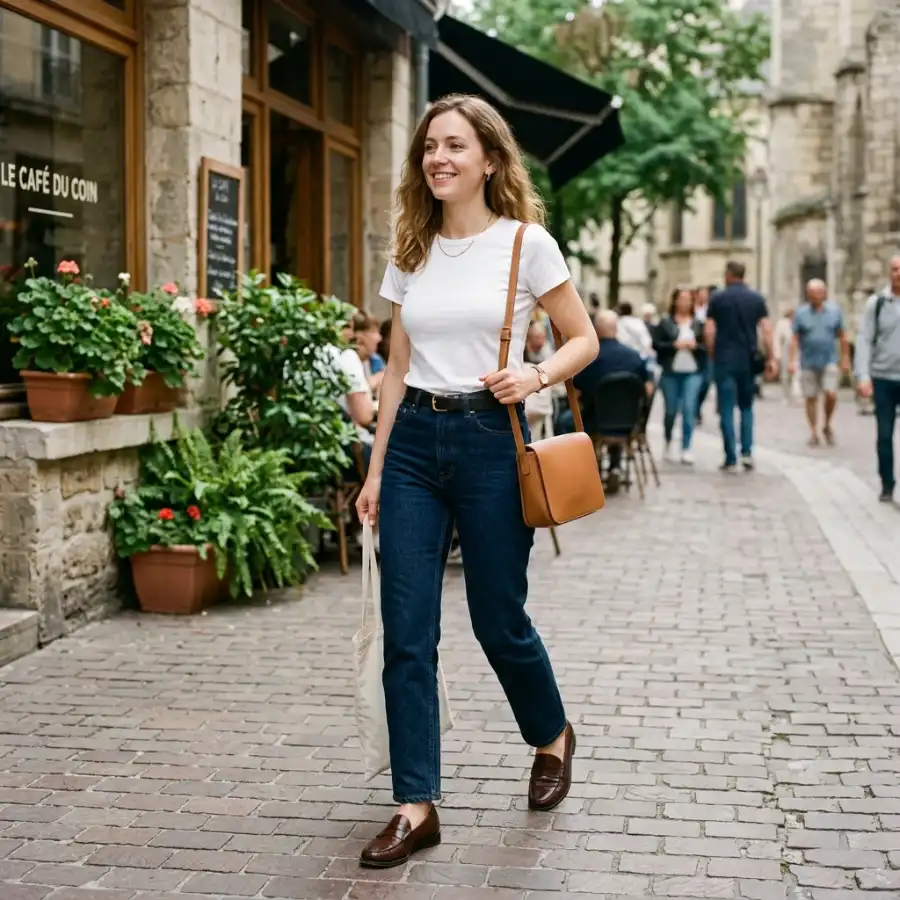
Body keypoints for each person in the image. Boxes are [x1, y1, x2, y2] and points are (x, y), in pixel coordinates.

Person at [354, 93, 597, 868]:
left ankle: (551, 734)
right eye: (431, 146)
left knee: (498, 619)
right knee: (407, 630)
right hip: (413, 449)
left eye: (455, 146)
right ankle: (415, 804)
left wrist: (535, 374)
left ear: (489, 160)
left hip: (492, 440)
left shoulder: (527, 244)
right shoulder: (411, 248)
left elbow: (582, 339)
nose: (439, 158)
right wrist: (376, 468)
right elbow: (396, 369)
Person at [558, 310, 653, 491]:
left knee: (564, 421)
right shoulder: (634, 357)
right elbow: (647, 388)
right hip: (629, 423)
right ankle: (614, 467)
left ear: (596, 329)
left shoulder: (590, 358)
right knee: (616, 412)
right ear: (616, 329)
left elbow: (576, 391)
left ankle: (576, 470)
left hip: (595, 420)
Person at [704, 260, 775, 472]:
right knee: (746, 407)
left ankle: (730, 457)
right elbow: (767, 329)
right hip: (748, 359)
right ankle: (747, 452)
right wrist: (771, 357)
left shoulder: (718, 298)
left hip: (725, 358)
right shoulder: (756, 298)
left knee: (726, 408)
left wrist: (712, 353)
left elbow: (709, 330)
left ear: (728, 274)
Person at [855, 256, 900, 502]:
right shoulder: (878, 303)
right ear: (889, 272)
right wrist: (863, 375)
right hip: (883, 377)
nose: (898, 273)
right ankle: (887, 483)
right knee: (884, 434)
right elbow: (864, 339)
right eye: (894, 269)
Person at [789, 280, 850, 447]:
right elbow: (795, 338)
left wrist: (845, 358)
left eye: (819, 292)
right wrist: (792, 360)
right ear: (808, 294)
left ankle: (827, 424)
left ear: (824, 293)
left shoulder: (834, 312)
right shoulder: (801, 313)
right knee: (811, 397)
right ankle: (813, 431)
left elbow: (842, 336)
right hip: (808, 361)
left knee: (831, 394)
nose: (816, 295)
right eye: (812, 292)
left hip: (829, 359)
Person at [653, 286, 706, 464]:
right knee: (671, 410)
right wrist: (674, 346)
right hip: (671, 372)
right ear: (675, 301)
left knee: (689, 408)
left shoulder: (698, 323)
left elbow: (706, 348)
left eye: (688, 299)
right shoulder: (665, 322)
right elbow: (656, 345)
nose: (685, 303)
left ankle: (686, 447)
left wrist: (695, 347)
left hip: (693, 372)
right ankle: (668, 440)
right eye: (682, 299)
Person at [773, 308, 797, 404]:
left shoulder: (799, 322)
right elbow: (777, 339)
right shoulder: (782, 324)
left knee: (798, 373)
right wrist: (777, 354)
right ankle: (786, 395)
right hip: (786, 350)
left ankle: (796, 394)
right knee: (785, 375)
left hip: (799, 350)